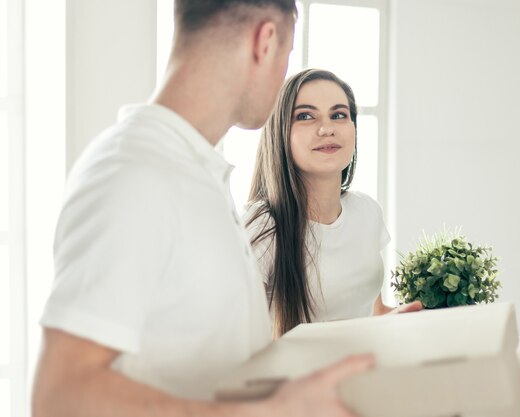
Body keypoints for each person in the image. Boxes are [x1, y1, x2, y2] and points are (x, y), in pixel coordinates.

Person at [31, 2, 377, 417]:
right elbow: (59, 396)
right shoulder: (134, 173)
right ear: (265, 41)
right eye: (286, 58)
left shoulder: (196, 174)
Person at [244, 69, 421, 337]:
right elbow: (237, 346)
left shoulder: (367, 212)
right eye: (305, 116)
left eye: (339, 115)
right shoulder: (261, 226)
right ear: (280, 133)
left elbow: (372, 312)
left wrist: (418, 316)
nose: (327, 128)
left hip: (364, 372)